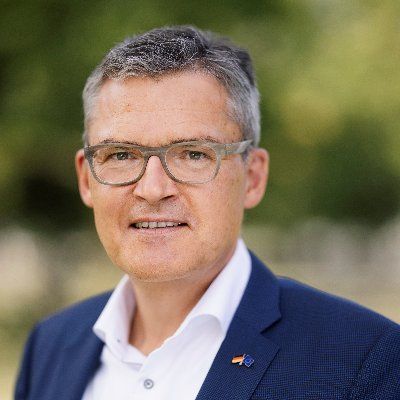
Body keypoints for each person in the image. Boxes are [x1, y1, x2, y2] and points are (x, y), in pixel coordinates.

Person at [15, 26, 400, 400]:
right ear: (86, 179)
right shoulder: (50, 348)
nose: (152, 189)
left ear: (252, 178)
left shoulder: (363, 363)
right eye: (121, 155)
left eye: (193, 154)